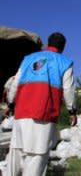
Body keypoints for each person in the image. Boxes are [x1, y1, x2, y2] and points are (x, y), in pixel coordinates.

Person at [6, 32, 77, 176]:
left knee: (16, 156)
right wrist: (72, 111)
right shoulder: (65, 62)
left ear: (47, 43)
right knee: (36, 160)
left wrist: (11, 103)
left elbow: (15, 84)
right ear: (63, 47)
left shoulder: (28, 59)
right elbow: (68, 89)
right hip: (43, 117)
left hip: (21, 115)